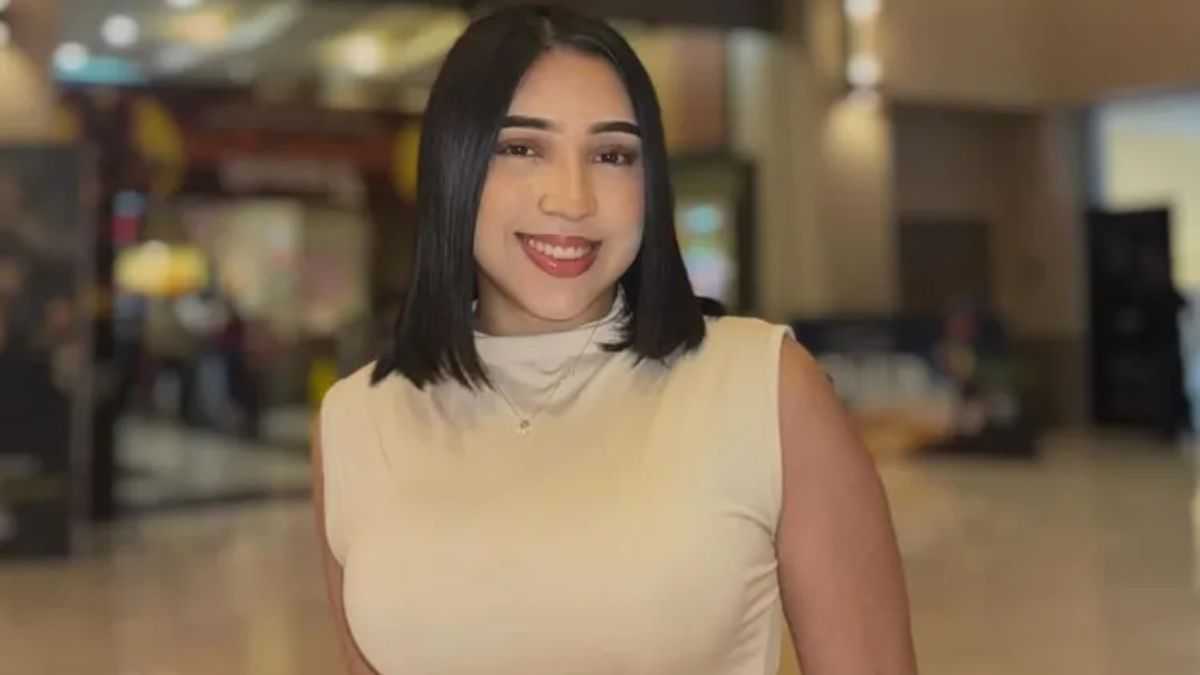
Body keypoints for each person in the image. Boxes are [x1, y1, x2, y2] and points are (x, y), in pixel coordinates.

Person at [311, 6, 916, 675]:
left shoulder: (764, 388)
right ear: (454, 166)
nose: (571, 198)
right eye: (521, 148)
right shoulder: (355, 420)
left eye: (611, 155)